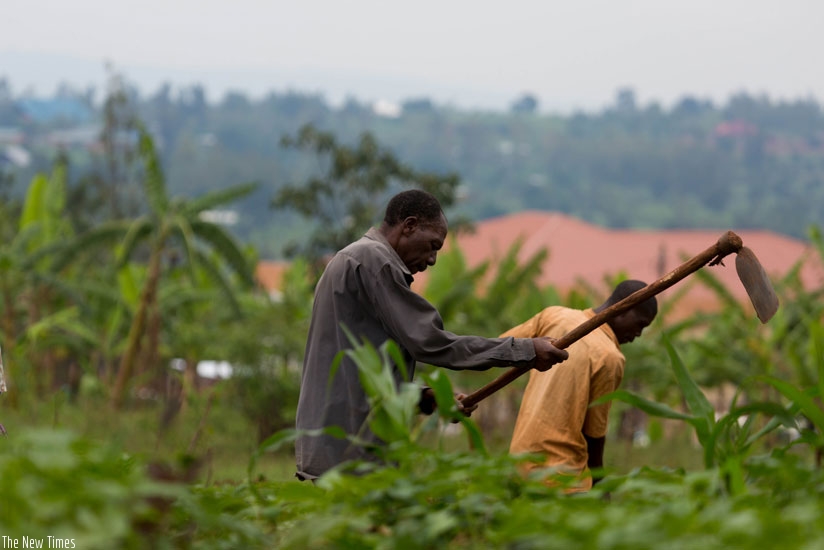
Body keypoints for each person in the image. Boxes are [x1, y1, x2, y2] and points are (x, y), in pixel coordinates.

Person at [295, 189, 569, 481]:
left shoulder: (353, 260)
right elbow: (430, 342)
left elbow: (363, 374)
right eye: (432, 245)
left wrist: (427, 397)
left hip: (331, 449)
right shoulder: (374, 261)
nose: (433, 259)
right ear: (409, 225)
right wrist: (524, 351)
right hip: (351, 455)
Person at [505, 279, 658, 492]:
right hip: (565, 481)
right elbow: (594, 434)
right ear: (625, 308)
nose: (638, 334)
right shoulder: (610, 357)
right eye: (640, 324)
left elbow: (500, 349)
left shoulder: (555, 315)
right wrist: (599, 484)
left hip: (520, 466)